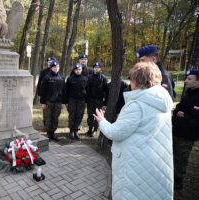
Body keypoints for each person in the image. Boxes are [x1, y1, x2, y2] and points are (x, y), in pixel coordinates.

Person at [93, 62, 174, 200]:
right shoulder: (161, 98)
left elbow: (115, 133)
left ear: (136, 81)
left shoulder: (137, 105)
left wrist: (102, 121)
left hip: (135, 163)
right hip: (154, 161)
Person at [172, 69, 199, 190]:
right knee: (174, 156)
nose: (186, 81)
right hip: (178, 131)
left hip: (187, 135)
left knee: (182, 158)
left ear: (198, 81)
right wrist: (178, 114)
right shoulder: (189, 92)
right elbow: (178, 108)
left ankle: (178, 182)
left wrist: (181, 118)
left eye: (189, 79)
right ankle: (172, 178)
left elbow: (195, 120)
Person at [39, 60, 65, 141]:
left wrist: (63, 102)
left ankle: (53, 133)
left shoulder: (61, 77)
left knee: (55, 118)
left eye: (57, 67)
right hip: (48, 102)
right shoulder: (47, 77)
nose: (56, 68)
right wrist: (43, 102)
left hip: (58, 102)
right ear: (51, 68)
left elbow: (64, 91)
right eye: (54, 67)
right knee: (48, 118)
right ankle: (48, 134)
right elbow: (42, 91)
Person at [65, 63, 88, 139]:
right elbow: (66, 91)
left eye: (79, 69)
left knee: (79, 115)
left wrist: (86, 101)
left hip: (81, 100)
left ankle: (76, 131)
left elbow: (87, 90)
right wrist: (66, 102)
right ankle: (71, 131)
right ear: (74, 70)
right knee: (72, 115)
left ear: (81, 70)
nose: (78, 71)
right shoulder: (70, 79)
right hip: (72, 100)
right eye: (76, 69)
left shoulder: (85, 78)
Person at [85, 61, 108, 137]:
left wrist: (105, 103)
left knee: (97, 115)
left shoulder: (104, 78)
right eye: (95, 67)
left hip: (99, 100)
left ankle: (95, 130)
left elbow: (106, 91)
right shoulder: (89, 77)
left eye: (98, 68)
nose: (96, 69)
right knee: (90, 115)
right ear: (93, 68)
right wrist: (86, 100)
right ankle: (90, 129)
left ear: (100, 69)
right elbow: (86, 89)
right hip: (90, 100)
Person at [36, 57, 56, 127]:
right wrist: (39, 93)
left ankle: (51, 125)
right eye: (48, 62)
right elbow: (39, 83)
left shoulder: (56, 71)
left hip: (53, 96)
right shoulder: (43, 71)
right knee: (45, 111)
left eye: (51, 62)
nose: (49, 63)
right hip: (45, 95)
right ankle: (45, 124)